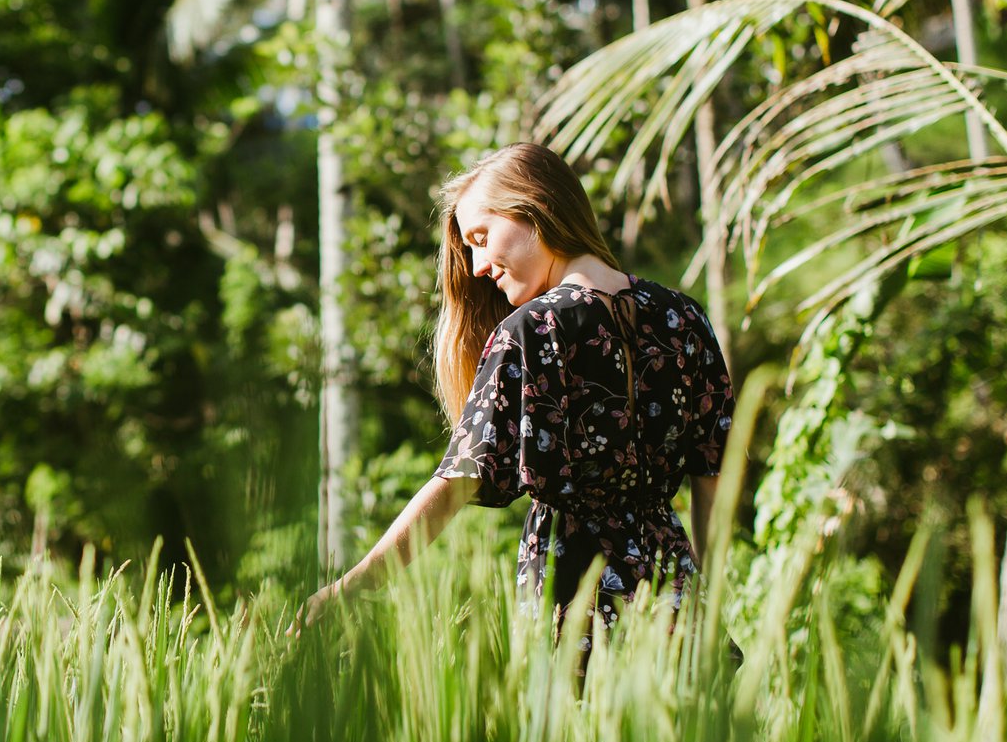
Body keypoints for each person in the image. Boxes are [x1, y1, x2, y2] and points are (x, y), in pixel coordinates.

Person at [291, 142, 736, 640]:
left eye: (481, 237)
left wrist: (354, 584)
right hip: (680, 598)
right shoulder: (685, 316)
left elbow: (458, 480)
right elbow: (713, 474)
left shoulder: (533, 331)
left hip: (577, 601)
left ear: (535, 208)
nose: (478, 264)